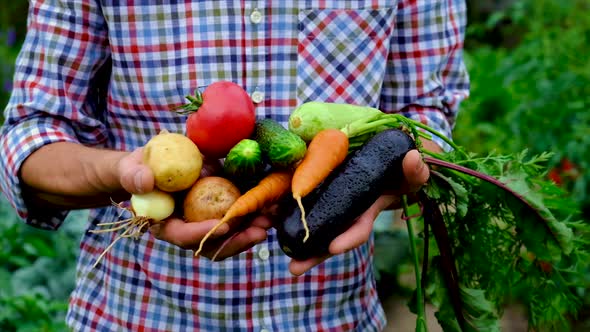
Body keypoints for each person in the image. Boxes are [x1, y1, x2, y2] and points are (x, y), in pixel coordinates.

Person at [0, 1, 469, 331]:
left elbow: (427, 114)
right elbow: (32, 136)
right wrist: (126, 174)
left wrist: (379, 182)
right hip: (136, 313)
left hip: (334, 318)